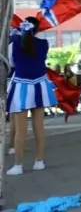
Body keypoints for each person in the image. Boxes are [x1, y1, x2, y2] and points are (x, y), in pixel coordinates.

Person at [6, 18, 55, 175]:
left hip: (21, 85)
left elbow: (12, 65)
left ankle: (18, 165)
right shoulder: (44, 43)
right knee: (39, 127)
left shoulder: (14, 44)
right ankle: (39, 161)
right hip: (40, 85)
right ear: (38, 29)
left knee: (21, 129)